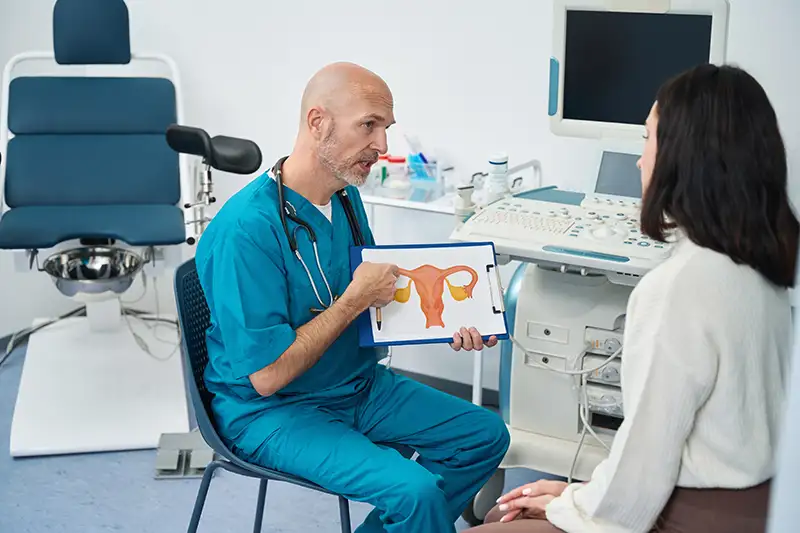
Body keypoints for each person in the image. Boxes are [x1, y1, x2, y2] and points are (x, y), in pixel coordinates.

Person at [468, 63, 798, 532]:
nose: (640, 161)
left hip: (686, 513)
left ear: (684, 157)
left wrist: (569, 505)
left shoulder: (678, 287)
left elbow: (643, 469)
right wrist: (577, 492)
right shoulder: (763, 271)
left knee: (497, 522)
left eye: (647, 139)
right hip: (760, 504)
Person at [194, 61, 510, 533]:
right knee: (414, 492)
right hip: (272, 410)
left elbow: (374, 298)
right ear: (317, 122)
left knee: (485, 436)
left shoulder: (343, 195)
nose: (382, 146)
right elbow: (266, 375)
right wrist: (353, 300)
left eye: (385, 128)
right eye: (369, 125)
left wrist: (453, 320)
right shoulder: (245, 231)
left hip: (355, 384)